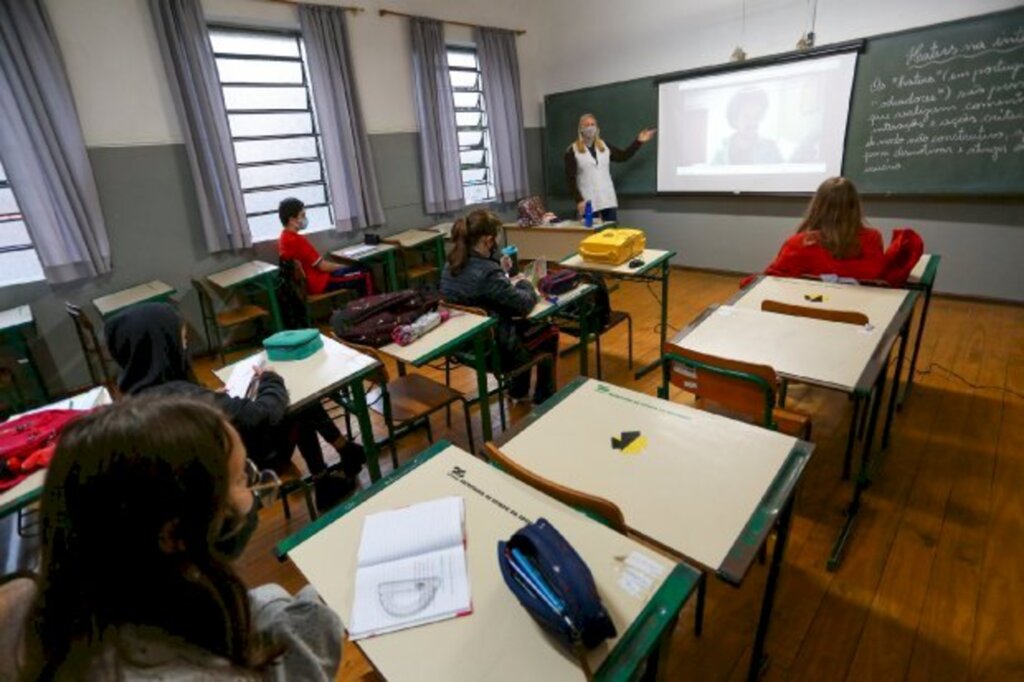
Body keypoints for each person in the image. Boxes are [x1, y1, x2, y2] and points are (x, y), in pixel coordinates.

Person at [6, 396, 342, 680]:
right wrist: (330, 599)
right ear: (174, 533)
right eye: (241, 479)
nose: (255, 491)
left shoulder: (59, 607)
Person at [104, 302, 364, 511]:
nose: (185, 347)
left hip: (206, 468)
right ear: (163, 345)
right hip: (242, 465)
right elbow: (264, 417)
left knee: (296, 405)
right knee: (296, 403)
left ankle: (333, 466)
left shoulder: (136, 397)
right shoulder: (185, 401)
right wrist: (269, 379)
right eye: (181, 340)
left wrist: (212, 397)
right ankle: (334, 466)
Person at [440, 210, 557, 405]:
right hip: (493, 353)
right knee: (548, 330)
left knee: (514, 326)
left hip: (462, 347)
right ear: (487, 240)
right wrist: (525, 284)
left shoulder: (449, 265)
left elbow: (484, 296)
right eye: (495, 239)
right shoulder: (488, 273)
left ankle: (518, 390)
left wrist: (500, 275)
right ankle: (543, 397)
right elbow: (523, 305)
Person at [742, 177, 923, 287]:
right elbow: (874, 275)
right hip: (859, 317)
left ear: (817, 205)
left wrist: (745, 282)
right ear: (855, 207)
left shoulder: (798, 243)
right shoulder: (872, 239)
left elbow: (769, 281)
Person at [564, 114, 656, 223]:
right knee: (591, 235)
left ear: (597, 128)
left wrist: (639, 141)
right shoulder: (572, 150)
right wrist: (579, 200)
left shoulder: (604, 146)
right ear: (580, 129)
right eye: (586, 125)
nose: (590, 127)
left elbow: (623, 156)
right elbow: (570, 179)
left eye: (593, 124)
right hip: (587, 201)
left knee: (611, 233)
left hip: (607, 198)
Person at [277, 197, 371, 297]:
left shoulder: (284, 238)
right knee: (365, 272)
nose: (305, 219)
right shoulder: (297, 240)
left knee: (357, 269)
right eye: (302, 215)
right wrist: (345, 267)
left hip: (307, 284)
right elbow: (322, 266)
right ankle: (372, 308)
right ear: (292, 220)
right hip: (320, 282)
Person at [712, 87, 783, 165]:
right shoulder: (721, 152)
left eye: (756, 116)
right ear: (735, 118)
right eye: (746, 116)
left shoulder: (771, 149)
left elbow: (786, 174)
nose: (752, 122)